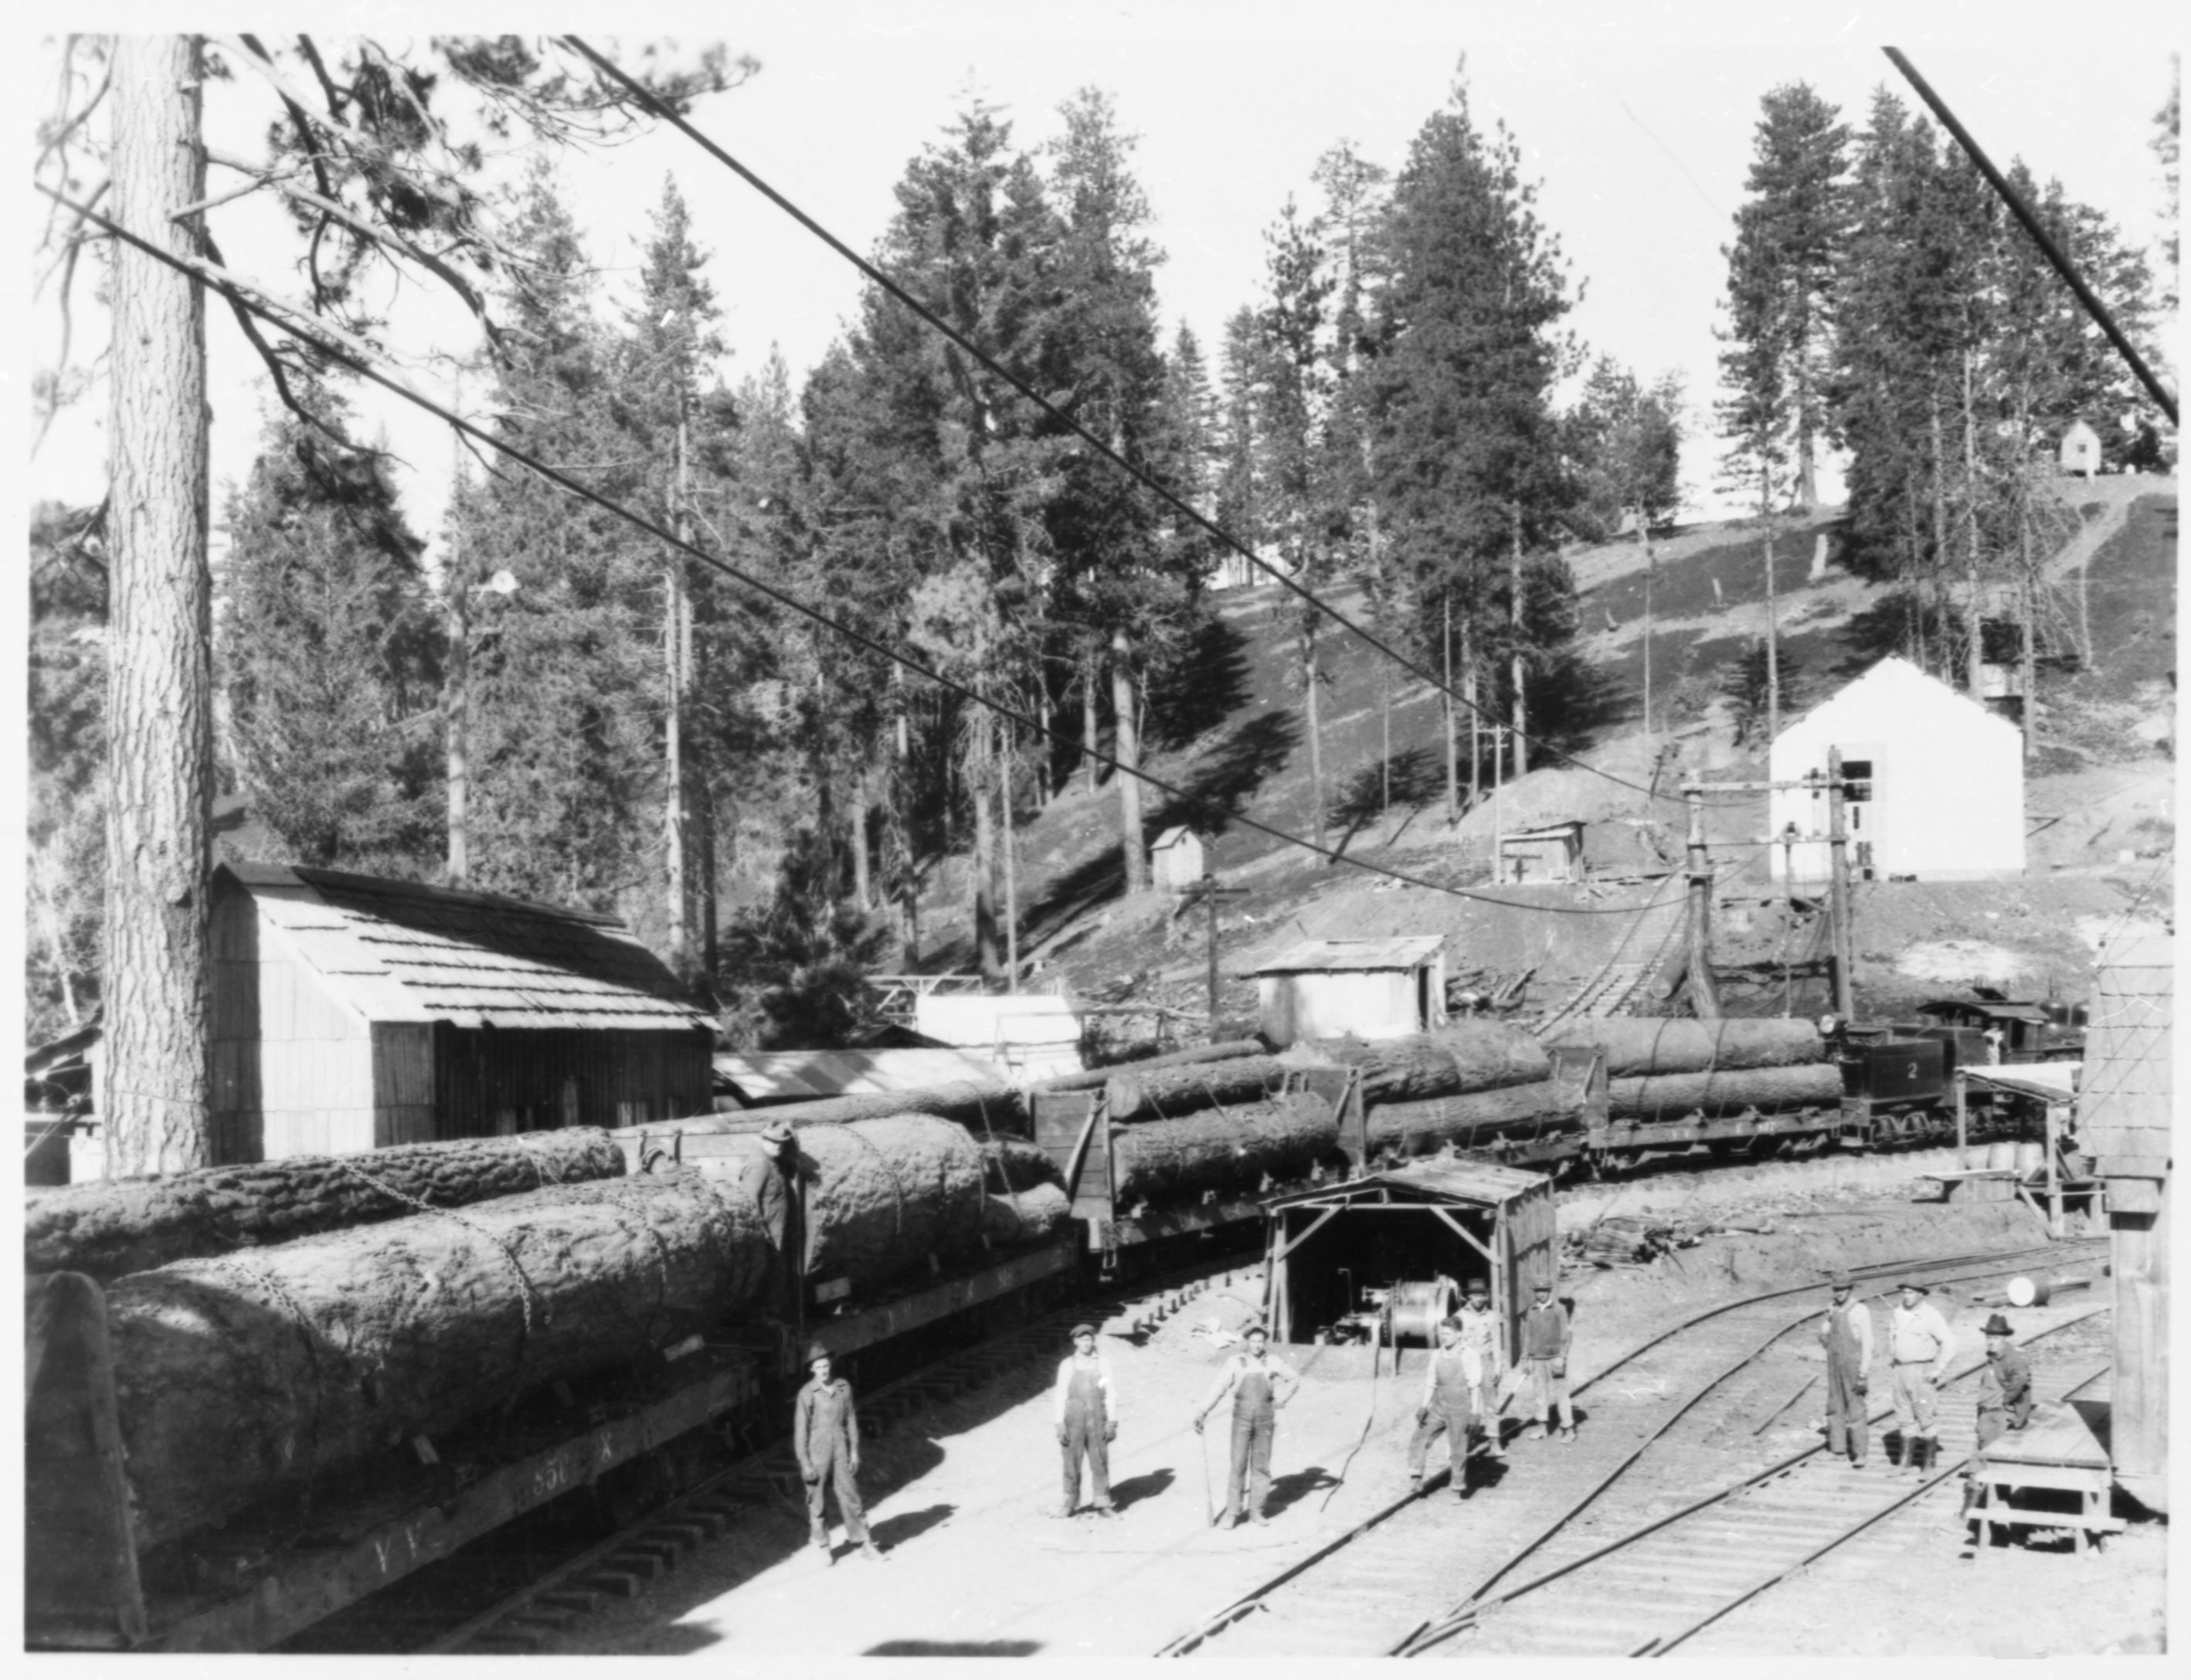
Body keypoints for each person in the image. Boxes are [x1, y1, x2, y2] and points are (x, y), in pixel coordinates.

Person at [1193, 1322, 1299, 1529]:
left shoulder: (1273, 1361)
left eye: (1260, 1341)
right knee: (1238, 1465)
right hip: (1241, 1419)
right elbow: (1219, 1387)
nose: (1257, 1345)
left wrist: (1282, 1399)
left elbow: (1294, 1378)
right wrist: (1202, 1411)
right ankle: (1232, 1512)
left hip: (1265, 1419)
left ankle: (1256, 1511)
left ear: (1264, 1342)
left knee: (1261, 1467)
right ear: (1247, 1342)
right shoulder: (1235, 1362)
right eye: (1253, 1341)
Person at [794, 1346, 885, 1563]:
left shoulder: (843, 1387)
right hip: (818, 1450)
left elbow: (851, 1419)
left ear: (830, 1366)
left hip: (841, 1447)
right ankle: (823, 1546)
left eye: (826, 1366)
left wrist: (854, 1450)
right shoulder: (807, 1394)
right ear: (812, 1370)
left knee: (851, 1494)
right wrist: (805, 1463)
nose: (824, 1371)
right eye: (819, 1367)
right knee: (817, 1500)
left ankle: (865, 1543)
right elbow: (800, 1431)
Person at [1962, 1312, 2035, 1522]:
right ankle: (1972, 1511)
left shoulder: (2012, 1358)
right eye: (1988, 1337)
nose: (1991, 1341)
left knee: (1989, 1461)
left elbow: (2021, 1378)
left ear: (2004, 1339)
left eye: (1995, 1338)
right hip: (1987, 1414)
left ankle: (1981, 1513)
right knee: (1979, 1458)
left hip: (2000, 1416)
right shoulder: (1994, 1357)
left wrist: (2007, 1400)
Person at [1051, 1322, 1120, 1519]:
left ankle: (1103, 1503)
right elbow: (1060, 1395)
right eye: (1082, 1340)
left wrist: (1112, 1421)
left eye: (1089, 1339)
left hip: (1097, 1418)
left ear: (1093, 1341)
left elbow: (1110, 1392)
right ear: (1075, 1342)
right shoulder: (1067, 1364)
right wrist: (1059, 1423)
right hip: (1073, 1419)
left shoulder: (1103, 1363)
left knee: (1100, 1461)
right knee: (1071, 1462)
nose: (1086, 1344)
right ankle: (1069, 1503)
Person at [1887, 1281, 1956, 1472]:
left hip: (1921, 1371)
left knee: (1925, 1417)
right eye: (1904, 1292)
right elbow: (1892, 1337)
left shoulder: (1931, 1316)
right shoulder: (1898, 1312)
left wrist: (1938, 1369)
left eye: (1911, 1292)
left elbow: (1949, 1343)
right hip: (1900, 1370)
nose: (1906, 1296)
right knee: (1904, 1418)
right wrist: (1894, 1358)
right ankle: (1904, 1462)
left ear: (1921, 1294)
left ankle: (1928, 1465)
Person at [1407, 1315, 1473, 1498]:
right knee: (1420, 1436)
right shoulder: (1437, 1355)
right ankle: (1416, 1476)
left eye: (1448, 1333)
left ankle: (1457, 1486)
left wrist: (1475, 1412)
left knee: (1458, 1447)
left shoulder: (1469, 1355)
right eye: (1442, 1333)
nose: (1444, 1337)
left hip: (1460, 1405)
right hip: (1439, 1404)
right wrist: (1423, 1406)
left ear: (1459, 1335)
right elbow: (1431, 1383)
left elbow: (1474, 1387)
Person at [1818, 1274, 1875, 1469]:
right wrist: (1825, 1334)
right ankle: (1838, 1449)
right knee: (1835, 1406)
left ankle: (1860, 1453)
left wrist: (1863, 1372)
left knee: (1856, 1409)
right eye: (1835, 1290)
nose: (1839, 1293)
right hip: (1834, 1364)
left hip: (1853, 1365)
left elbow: (1868, 1343)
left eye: (1842, 1290)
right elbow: (1824, 1331)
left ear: (1850, 1290)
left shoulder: (1860, 1310)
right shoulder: (1833, 1308)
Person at [1456, 1280, 1506, 1458]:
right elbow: (1455, 1344)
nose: (1479, 1299)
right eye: (1476, 1295)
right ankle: (1467, 1439)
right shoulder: (1460, 1316)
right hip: (1468, 1364)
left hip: (1486, 1362)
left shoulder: (1492, 1316)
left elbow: (1497, 1343)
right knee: (1469, 1406)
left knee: (1491, 1405)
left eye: (1482, 1295)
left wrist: (1498, 1366)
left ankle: (1494, 1441)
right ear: (1469, 1296)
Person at [1521, 1281, 1575, 1442]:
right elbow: (1527, 1336)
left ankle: (1569, 1429)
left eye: (1544, 1290)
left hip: (1555, 1359)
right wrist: (1525, 1358)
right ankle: (1542, 1428)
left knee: (1561, 1395)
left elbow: (1566, 1335)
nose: (1541, 1294)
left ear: (1550, 1291)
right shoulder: (1532, 1310)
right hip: (1537, 1359)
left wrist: (1562, 1356)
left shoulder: (1559, 1309)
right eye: (1538, 1291)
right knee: (1540, 1395)